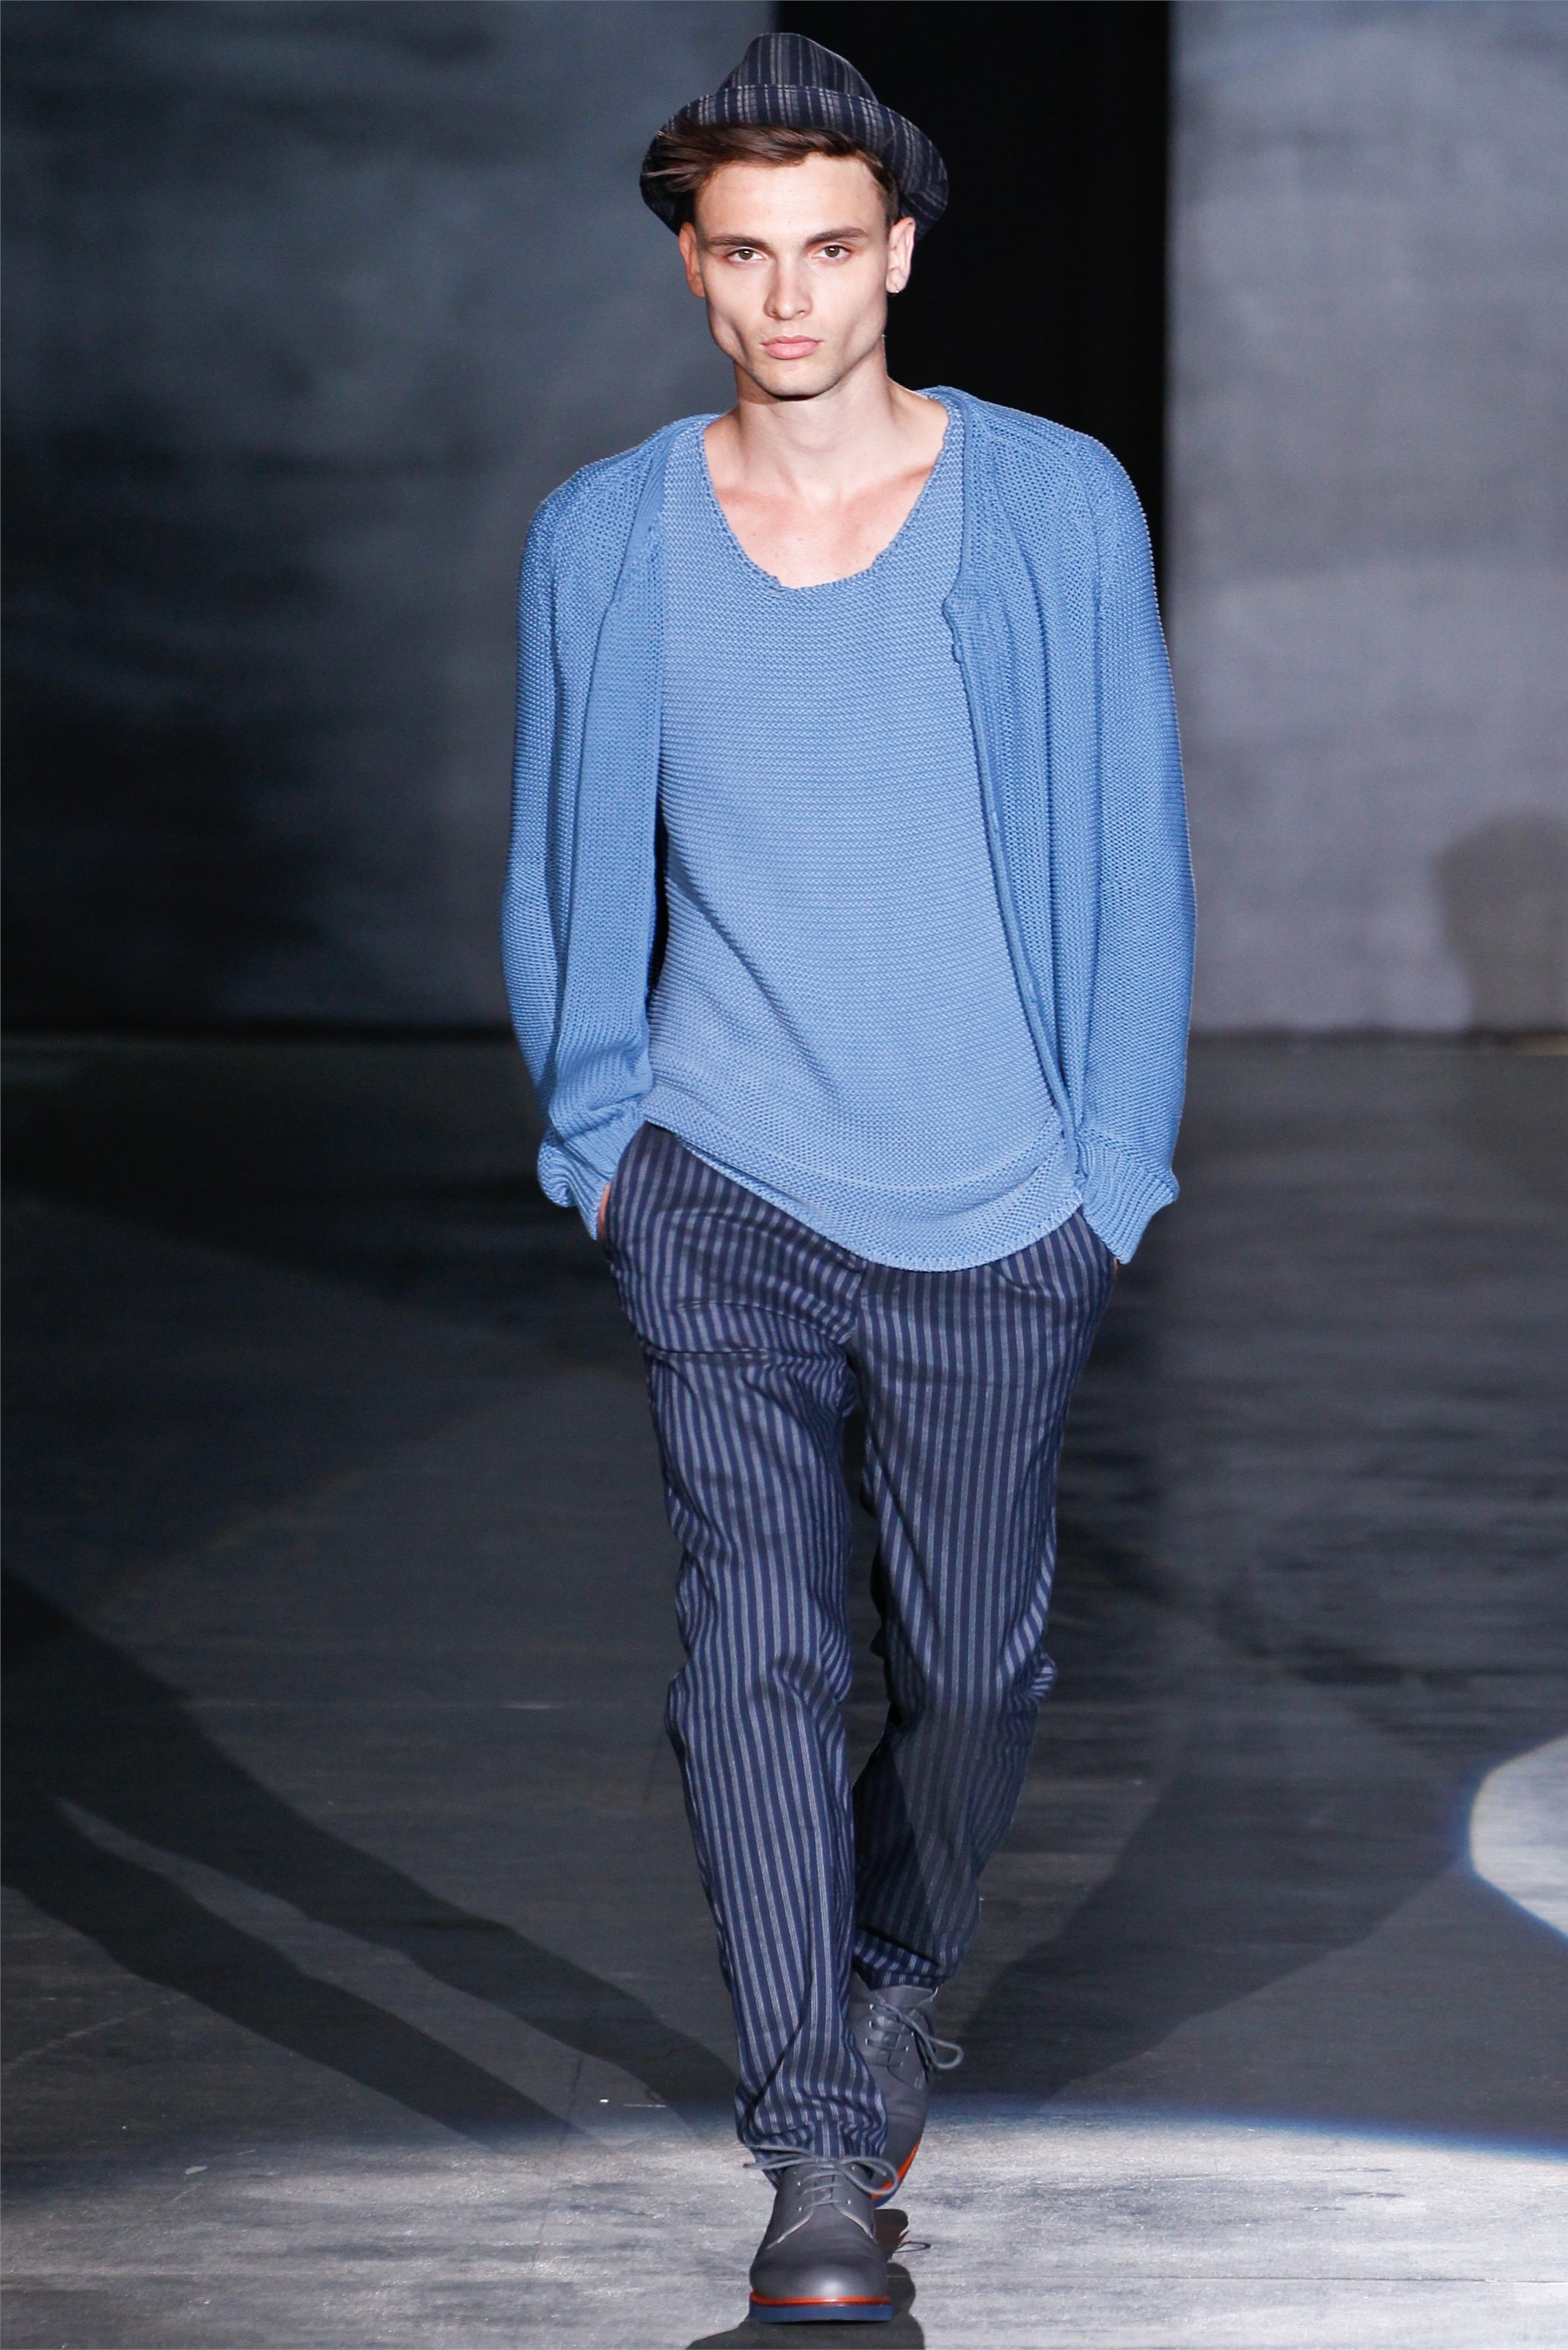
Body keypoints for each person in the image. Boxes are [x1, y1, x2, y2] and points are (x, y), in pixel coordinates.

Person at [503, 32, 1192, 2326]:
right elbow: (563, 868)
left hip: (1003, 1204)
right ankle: (811, 2147)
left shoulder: (1055, 505)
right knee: (760, 1652)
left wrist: (1108, 1171)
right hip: (720, 1186)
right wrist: (608, 1147)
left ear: (897, 253)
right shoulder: (606, 536)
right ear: (695, 271)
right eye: (743, 254)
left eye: (826, 249)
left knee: (979, 1667)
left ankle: (898, 1961)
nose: (786, 296)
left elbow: (1132, 848)